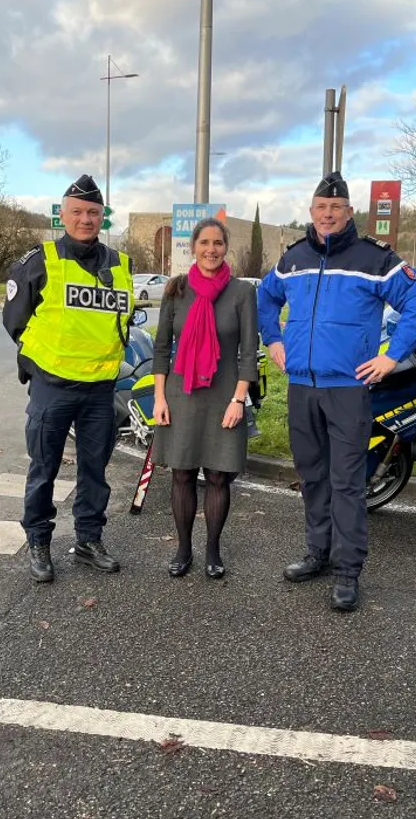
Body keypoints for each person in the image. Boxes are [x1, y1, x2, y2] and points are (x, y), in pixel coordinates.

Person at [258, 172, 416, 612]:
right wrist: (273, 340)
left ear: (349, 212)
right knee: (313, 476)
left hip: (348, 390)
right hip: (302, 386)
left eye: (336, 207)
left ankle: (347, 571)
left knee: (347, 483)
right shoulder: (294, 258)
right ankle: (317, 552)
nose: (328, 214)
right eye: (321, 207)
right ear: (312, 211)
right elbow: (265, 298)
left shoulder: (373, 258)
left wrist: (391, 356)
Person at [1, 174, 134, 583]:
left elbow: (122, 323)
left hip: (99, 390)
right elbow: (14, 318)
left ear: (102, 217)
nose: (86, 219)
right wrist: (37, 364)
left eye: (93, 213)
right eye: (77, 212)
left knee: (95, 470)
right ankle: (39, 541)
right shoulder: (40, 260)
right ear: (63, 215)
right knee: (44, 468)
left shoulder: (121, 264)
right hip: (53, 387)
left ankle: (88, 541)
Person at [152, 217, 259, 579]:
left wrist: (238, 399)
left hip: (224, 395)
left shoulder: (242, 292)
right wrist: (159, 398)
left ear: (225, 247)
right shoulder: (176, 290)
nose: (211, 250)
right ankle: (184, 549)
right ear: (193, 247)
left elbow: (248, 352)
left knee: (218, 476)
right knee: (181, 474)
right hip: (180, 396)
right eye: (204, 243)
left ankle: (213, 548)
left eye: (217, 243)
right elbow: (162, 348)